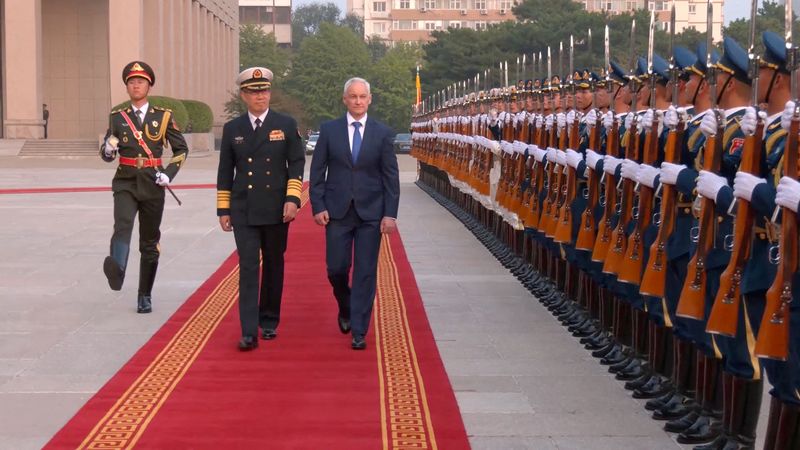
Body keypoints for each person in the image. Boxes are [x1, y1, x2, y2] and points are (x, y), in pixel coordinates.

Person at [216, 67, 305, 351]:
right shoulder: (233, 129)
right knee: (248, 266)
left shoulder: (287, 125)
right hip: (244, 208)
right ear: (244, 95)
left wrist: (293, 199)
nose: (260, 97)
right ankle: (248, 330)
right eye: (254, 92)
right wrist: (223, 209)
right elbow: (224, 172)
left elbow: (297, 164)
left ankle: (269, 320)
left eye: (264, 91)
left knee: (274, 263)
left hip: (277, 208)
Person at [310, 77, 400, 350]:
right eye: (353, 96)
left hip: (371, 214)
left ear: (369, 99)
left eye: (362, 96)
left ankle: (359, 329)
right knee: (336, 268)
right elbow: (317, 173)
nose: (358, 101)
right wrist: (318, 205)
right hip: (337, 212)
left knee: (365, 272)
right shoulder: (329, 130)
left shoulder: (382, 133)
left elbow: (391, 177)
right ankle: (345, 304)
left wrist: (390, 214)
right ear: (344, 99)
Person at [100, 61, 188, 314]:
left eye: (140, 81)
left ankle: (144, 294)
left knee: (149, 242)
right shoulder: (118, 117)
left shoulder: (164, 116)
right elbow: (108, 152)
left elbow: (181, 149)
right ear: (126, 86)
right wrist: (107, 149)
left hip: (152, 182)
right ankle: (117, 268)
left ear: (149, 85)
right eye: (131, 81)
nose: (136, 85)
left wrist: (168, 174)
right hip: (125, 180)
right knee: (123, 224)